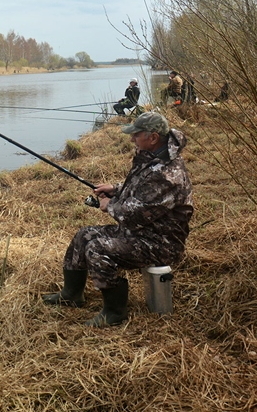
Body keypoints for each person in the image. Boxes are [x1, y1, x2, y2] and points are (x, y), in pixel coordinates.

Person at [43, 112, 194, 327]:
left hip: (161, 243)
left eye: (137, 135)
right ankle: (71, 295)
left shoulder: (167, 173)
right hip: (143, 233)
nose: (132, 138)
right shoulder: (154, 158)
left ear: (152, 138)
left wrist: (109, 206)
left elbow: (135, 215)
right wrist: (115, 189)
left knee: (97, 248)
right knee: (83, 235)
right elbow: (143, 191)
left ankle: (115, 311)